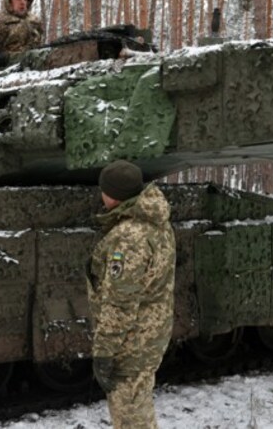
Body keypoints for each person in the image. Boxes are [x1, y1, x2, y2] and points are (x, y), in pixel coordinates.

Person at [86, 160, 176, 429]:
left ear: (111, 194)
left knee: (131, 419)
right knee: (137, 411)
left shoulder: (129, 237)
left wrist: (104, 352)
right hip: (148, 334)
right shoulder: (155, 223)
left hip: (131, 342)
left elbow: (120, 302)